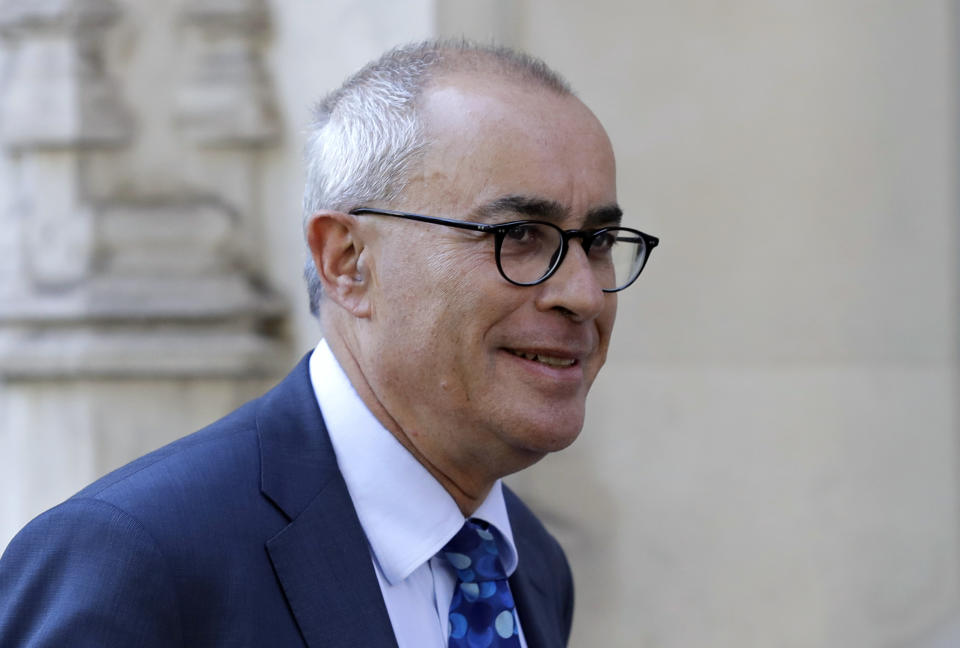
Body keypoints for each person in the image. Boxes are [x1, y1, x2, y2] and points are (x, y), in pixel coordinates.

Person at [0, 40, 657, 647]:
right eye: (518, 235)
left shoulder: (532, 564)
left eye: (597, 242)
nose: (583, 294)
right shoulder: (134, 557)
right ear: (347, 261)